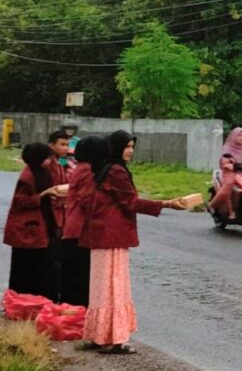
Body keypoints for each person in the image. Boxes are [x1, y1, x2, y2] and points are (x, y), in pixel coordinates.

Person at [79, 130, 186, 354]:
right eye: (126, 147)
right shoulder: (117, 171)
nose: (130, 151)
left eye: (132, 147)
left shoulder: (104, 168)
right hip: (113, 235)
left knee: (100, 287)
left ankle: (99, 335)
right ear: (116, 148)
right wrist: (167, 203)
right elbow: (130, 202)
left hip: (101, 234)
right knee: (115, 285)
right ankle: (115, 339)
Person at [3, 143, 66, 301]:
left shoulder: (42, 172)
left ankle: (39, 301)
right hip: (27, 230)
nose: (49, 161)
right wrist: (43, 195)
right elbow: (21, 201)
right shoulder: (28, 176)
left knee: (43, 267)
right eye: (46, 158)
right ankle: (22, 302)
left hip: (41, 226)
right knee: (27, 269)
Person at [60, 136, 107, 307]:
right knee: (79, 277)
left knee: (74, 275)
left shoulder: (81, 167)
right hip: (80, 230)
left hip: (73, 227)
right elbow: (88, 201)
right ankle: (76, 318)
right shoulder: (88, 170)